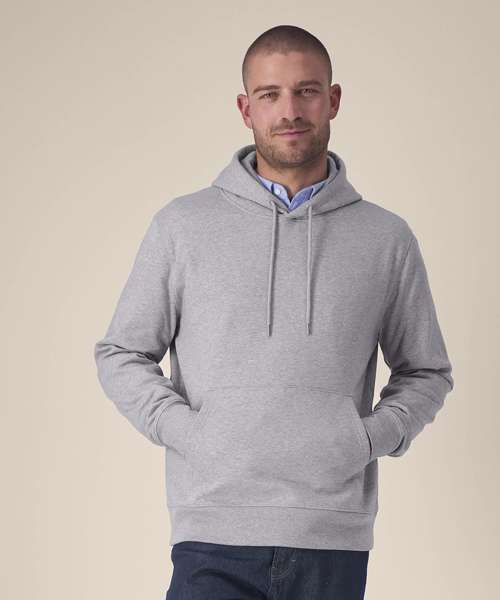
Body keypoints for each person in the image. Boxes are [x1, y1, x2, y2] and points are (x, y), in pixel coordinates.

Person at [94, 24, 454, 600]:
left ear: (333, 99)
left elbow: (426, 370)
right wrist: (192, 433)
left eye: (306, 91)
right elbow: (121, 353)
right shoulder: (183, 226)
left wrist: (367, 439)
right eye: (270, 94)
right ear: (246, 109)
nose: (290, 111)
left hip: (331, 538)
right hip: (211, 530)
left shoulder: (386, 238)